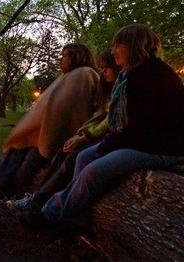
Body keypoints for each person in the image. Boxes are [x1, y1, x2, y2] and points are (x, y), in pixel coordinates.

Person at [22, 24, 184, 226]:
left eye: (119, 45)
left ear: (135, 46)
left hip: (161, 148)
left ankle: (48, 213)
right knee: (82, 156)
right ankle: (77, 217)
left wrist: (105, 146)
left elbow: (138, 128)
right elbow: (124, 125)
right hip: (139, 142)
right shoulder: (130, 74)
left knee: (93, 171)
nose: (114, 51)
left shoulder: (151, 75)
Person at [0, 43, 102, 197]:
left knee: (32, 157)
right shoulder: (67, 76)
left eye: (64, 55)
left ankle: (11, 191)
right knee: (19, 146)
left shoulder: (85, 74)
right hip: (48, 130)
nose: (60, 59)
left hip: (68, 135)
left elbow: (70, 108)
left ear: (77, 56)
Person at [7, 50, 119, 213]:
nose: (103, 72)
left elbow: (106, 119)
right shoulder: (104, 85)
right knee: (25, 147)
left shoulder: (87, 76)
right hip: (86, 135)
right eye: (102, 68)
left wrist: (84, 136)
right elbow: (98, 116)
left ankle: (40, 202)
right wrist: (83, 133)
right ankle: (16, 191)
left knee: (68, 157)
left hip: (100, 138)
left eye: (107, 67)